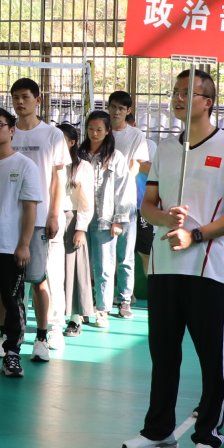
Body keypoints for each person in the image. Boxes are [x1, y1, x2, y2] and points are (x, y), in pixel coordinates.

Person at [123, 69, 224, 448]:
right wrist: (166, 219)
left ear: (207, 102)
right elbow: (147, 206)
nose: (178, 99)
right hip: (163, 267)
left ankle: (208, 436)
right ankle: (159, 431)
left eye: (187, 93)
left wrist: (195, 235)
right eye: (175, 92)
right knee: (163, 354)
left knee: (211, 358)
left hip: (205, 269)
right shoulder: (165, 149)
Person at [9, 78, 69, 362]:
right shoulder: (7, 132)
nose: (20, 102)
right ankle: (8, 335)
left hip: (39, 220)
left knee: (39, 279)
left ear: (38, 100)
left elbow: (59, 179)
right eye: (15, 97)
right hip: (8, 219)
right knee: (7, 283)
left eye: (25, 97)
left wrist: (54, 214)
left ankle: (45, 334)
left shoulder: (52, 135)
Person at [0, 107, 42, 378]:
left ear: (12, 130)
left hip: (9, 247)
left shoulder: (25, 165)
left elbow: (30, 208)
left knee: (12, 301)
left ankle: (13, 354)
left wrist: (24, 244)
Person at [75, 109, 133, 331]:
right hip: (80, 219)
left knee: (104, 266)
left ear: (108, 130)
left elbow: (123, 190)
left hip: (105, 219)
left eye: (99, 129)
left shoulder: (116, 157)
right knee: (81, 266)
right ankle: (81, 308)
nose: (94, 133)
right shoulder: (79, 154)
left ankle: (103, 310)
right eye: (90, 128)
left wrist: (118, 220)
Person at [105, 90, 147, 318]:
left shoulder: (136, 135)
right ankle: (102, 301)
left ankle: (124, 300)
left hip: (126, 202)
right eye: (113, 107)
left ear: (128, 111)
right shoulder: (101, 130)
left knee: (125, 254)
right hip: (101, 203)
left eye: (121, 108)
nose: (116, 112)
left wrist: (119, 190)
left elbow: (136, 166)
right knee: (103, 254)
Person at [59, 121, 96, 333]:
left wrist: (80, 228)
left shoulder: (82, 167)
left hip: (72, 220)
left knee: (74, 271)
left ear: (72, 142)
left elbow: (86, 202)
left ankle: (75, 319)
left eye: (61, 139)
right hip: (52, 218)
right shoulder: (50, 164)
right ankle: (53, 318)